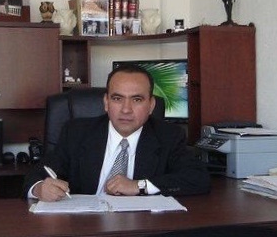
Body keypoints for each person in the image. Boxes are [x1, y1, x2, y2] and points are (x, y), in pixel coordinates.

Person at [23, 64, 211, 201]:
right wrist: (39, 189)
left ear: (151, 105)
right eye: (117, 99)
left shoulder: (169, 136)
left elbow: (198, 178)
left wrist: (139, 186)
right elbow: (38, 174)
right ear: (106, 103)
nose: (126, 109)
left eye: (137, 100)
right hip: (84, 227)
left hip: (141, 229)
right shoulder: (76, 132)